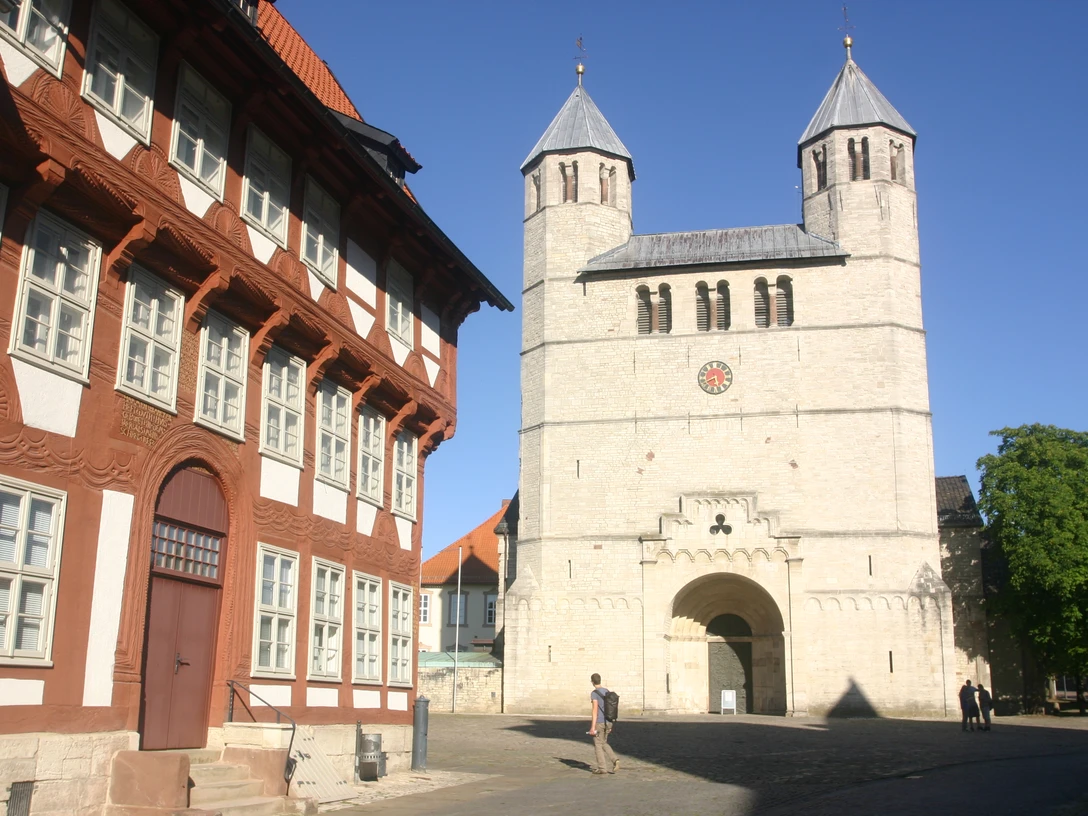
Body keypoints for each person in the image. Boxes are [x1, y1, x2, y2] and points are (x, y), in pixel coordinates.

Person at [588, 673, 619, 775]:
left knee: (597, 744)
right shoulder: (607, 691)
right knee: (603, 742)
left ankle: (602, 768)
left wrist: (592, 727)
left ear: (592, 682)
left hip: (600, 722)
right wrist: (611, 723)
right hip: (608, 721)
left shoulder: (594, 693)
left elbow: (595, 710)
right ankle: (615, 760)